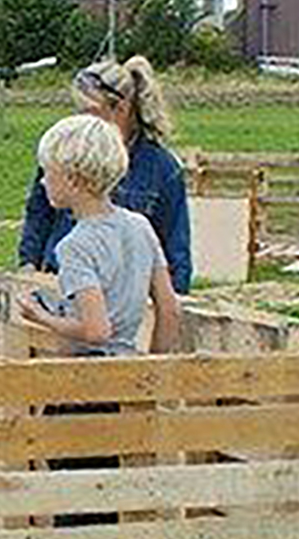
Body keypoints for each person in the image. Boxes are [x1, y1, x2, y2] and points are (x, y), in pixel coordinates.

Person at [20, 57, 192, 293]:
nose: (81, 121)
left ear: (120, 109)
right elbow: (38, 214)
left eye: (91, 112)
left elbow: (175, 250)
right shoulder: (63, 151)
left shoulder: (163, 169)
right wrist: (28, 267)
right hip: (61, 285)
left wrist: (169, 308)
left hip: (120, 295)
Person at [18, 114, 182, 357]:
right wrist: (153, 368)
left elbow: (97, 332)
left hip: (89, 375)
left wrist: (41, 316)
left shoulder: (74, 247)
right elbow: (170, 309)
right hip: (130, 367)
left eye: (48, 172)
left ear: (73, 179)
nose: (42, 182)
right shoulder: (141, 226)